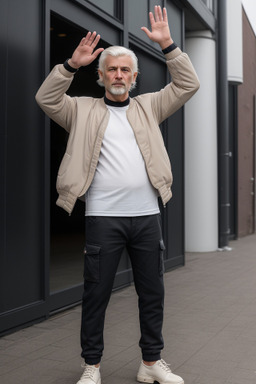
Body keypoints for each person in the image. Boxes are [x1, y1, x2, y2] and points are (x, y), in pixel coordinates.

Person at [36, 6, 199, 384]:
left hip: (146, 216)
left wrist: (169, 46)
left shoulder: (149, 106)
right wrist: (69, 66)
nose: (119, 75)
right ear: (101, 76)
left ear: (135, 77)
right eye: (112, 69)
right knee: (96, 296)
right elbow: (46, 98)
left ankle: (151, 362)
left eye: (125, 69)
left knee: (152, 294)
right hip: (102, 218)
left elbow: (188, 85)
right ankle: (91, 366)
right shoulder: (81, 110)